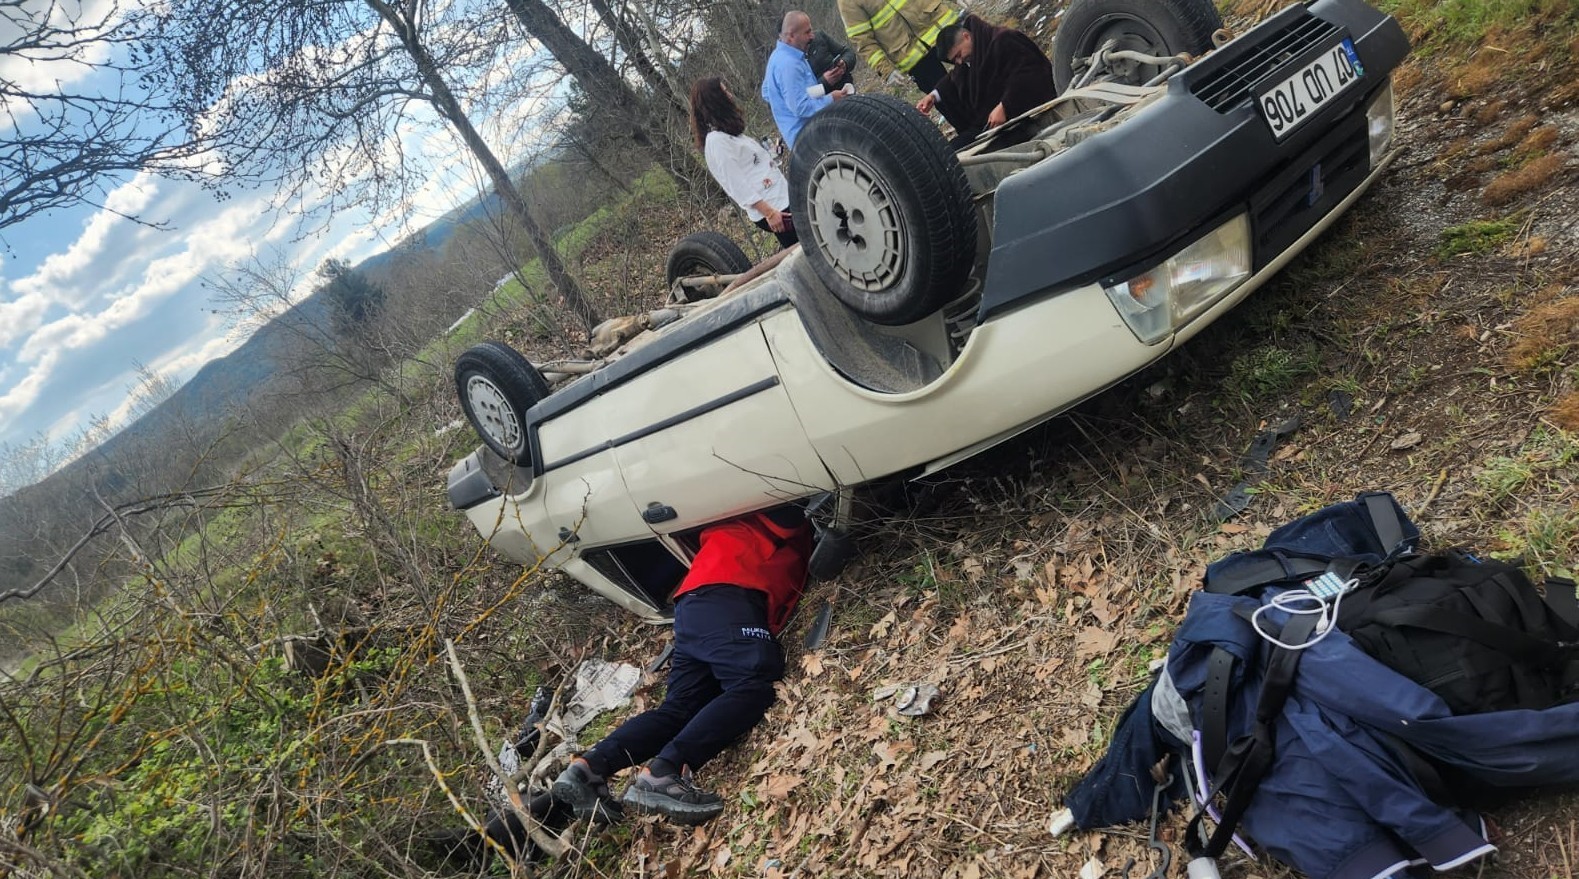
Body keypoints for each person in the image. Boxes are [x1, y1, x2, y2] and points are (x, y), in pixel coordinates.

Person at [552, 510, 813, 825]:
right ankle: (665, 773)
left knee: (680, 708)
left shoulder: (722, 521)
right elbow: (794, 516)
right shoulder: (765, 510)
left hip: (693, 606)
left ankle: (589, 769)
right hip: (727, 595)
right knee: (753, 684)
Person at [689, 77, 797, 249]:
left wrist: (774, 152)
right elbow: (737, 184)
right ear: (716, 101)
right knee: (801, 249)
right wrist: (769, 213)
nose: (730, 95)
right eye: (725, 92)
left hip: (783, 197)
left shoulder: (730, 135)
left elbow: (754, 164)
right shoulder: (717, 142)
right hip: (774, 207)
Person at [916, 15, 1056, 147]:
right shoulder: (969, 57)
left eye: (958, 55)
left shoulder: (1003, 40)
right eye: (954, 60)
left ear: (966, 36)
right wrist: (933, 96)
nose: (959, 61)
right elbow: (953, 79)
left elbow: (1029, 72)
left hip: (1022, 117)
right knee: (954, 150)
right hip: (989, 125)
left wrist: (1005, 106)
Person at [762, 11, 849, 148]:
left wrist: (823, 87)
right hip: (809, 140)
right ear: (791, 36)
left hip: (812, 132)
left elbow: (769, 93)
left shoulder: (781, 56)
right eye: (807, 32)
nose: (812, 36)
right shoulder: (788, 64)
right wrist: (831, 98)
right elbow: (800, 107)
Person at [837, 0, 960, 94]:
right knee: (947, 99)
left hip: (938, 24)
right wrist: (885, 69)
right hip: (910, 55)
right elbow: (862, 40)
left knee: (971, 65)